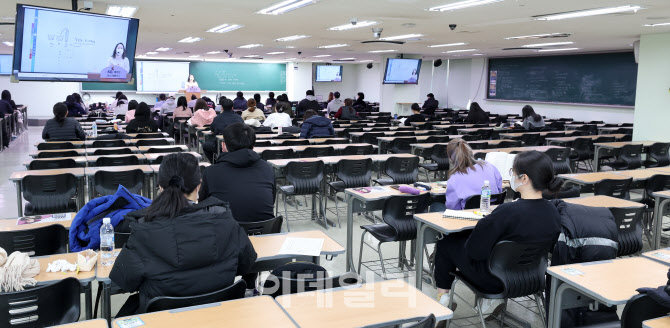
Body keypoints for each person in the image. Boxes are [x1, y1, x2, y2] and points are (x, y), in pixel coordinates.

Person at [110, 153, 257, 315]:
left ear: (160, 187)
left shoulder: (143, 229)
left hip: (162, 320)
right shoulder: (224, 218)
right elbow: (246, 263)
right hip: (218, 315)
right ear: (198, 186)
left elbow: (124, 281)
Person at [433, 150, 562, 311]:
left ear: (524, 178)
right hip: (533, 278)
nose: (512, 176)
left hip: (494, 279)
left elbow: (474, 252)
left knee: (447, 243)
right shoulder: (553, 212)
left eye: (513, 172)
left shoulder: (507, 211)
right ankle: (488, 303)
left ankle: (442, 299)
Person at [199, 123, 274, 294]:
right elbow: (271, 201)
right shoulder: (268, 169)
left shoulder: (211, 172)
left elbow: (202, 207)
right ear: (253, 145)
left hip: (223, 243)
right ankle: (249, 284)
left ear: (224, 145)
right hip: (262, 239)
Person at [438, 139, 502, 211]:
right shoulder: (489, 166)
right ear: (471, 152)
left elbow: (452, 208)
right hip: (491, 212)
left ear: (450, 159)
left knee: (436, 206)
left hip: (466, 217)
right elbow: (500, 190)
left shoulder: (454, 179)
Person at [204, 98, 244, 163]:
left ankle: (214, 163)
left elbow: (212, 129)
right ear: (232, 107)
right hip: (237, 145)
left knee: (205, 146)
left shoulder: (217, 118)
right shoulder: (239, 118)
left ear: (222, 107)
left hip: (221, 146)